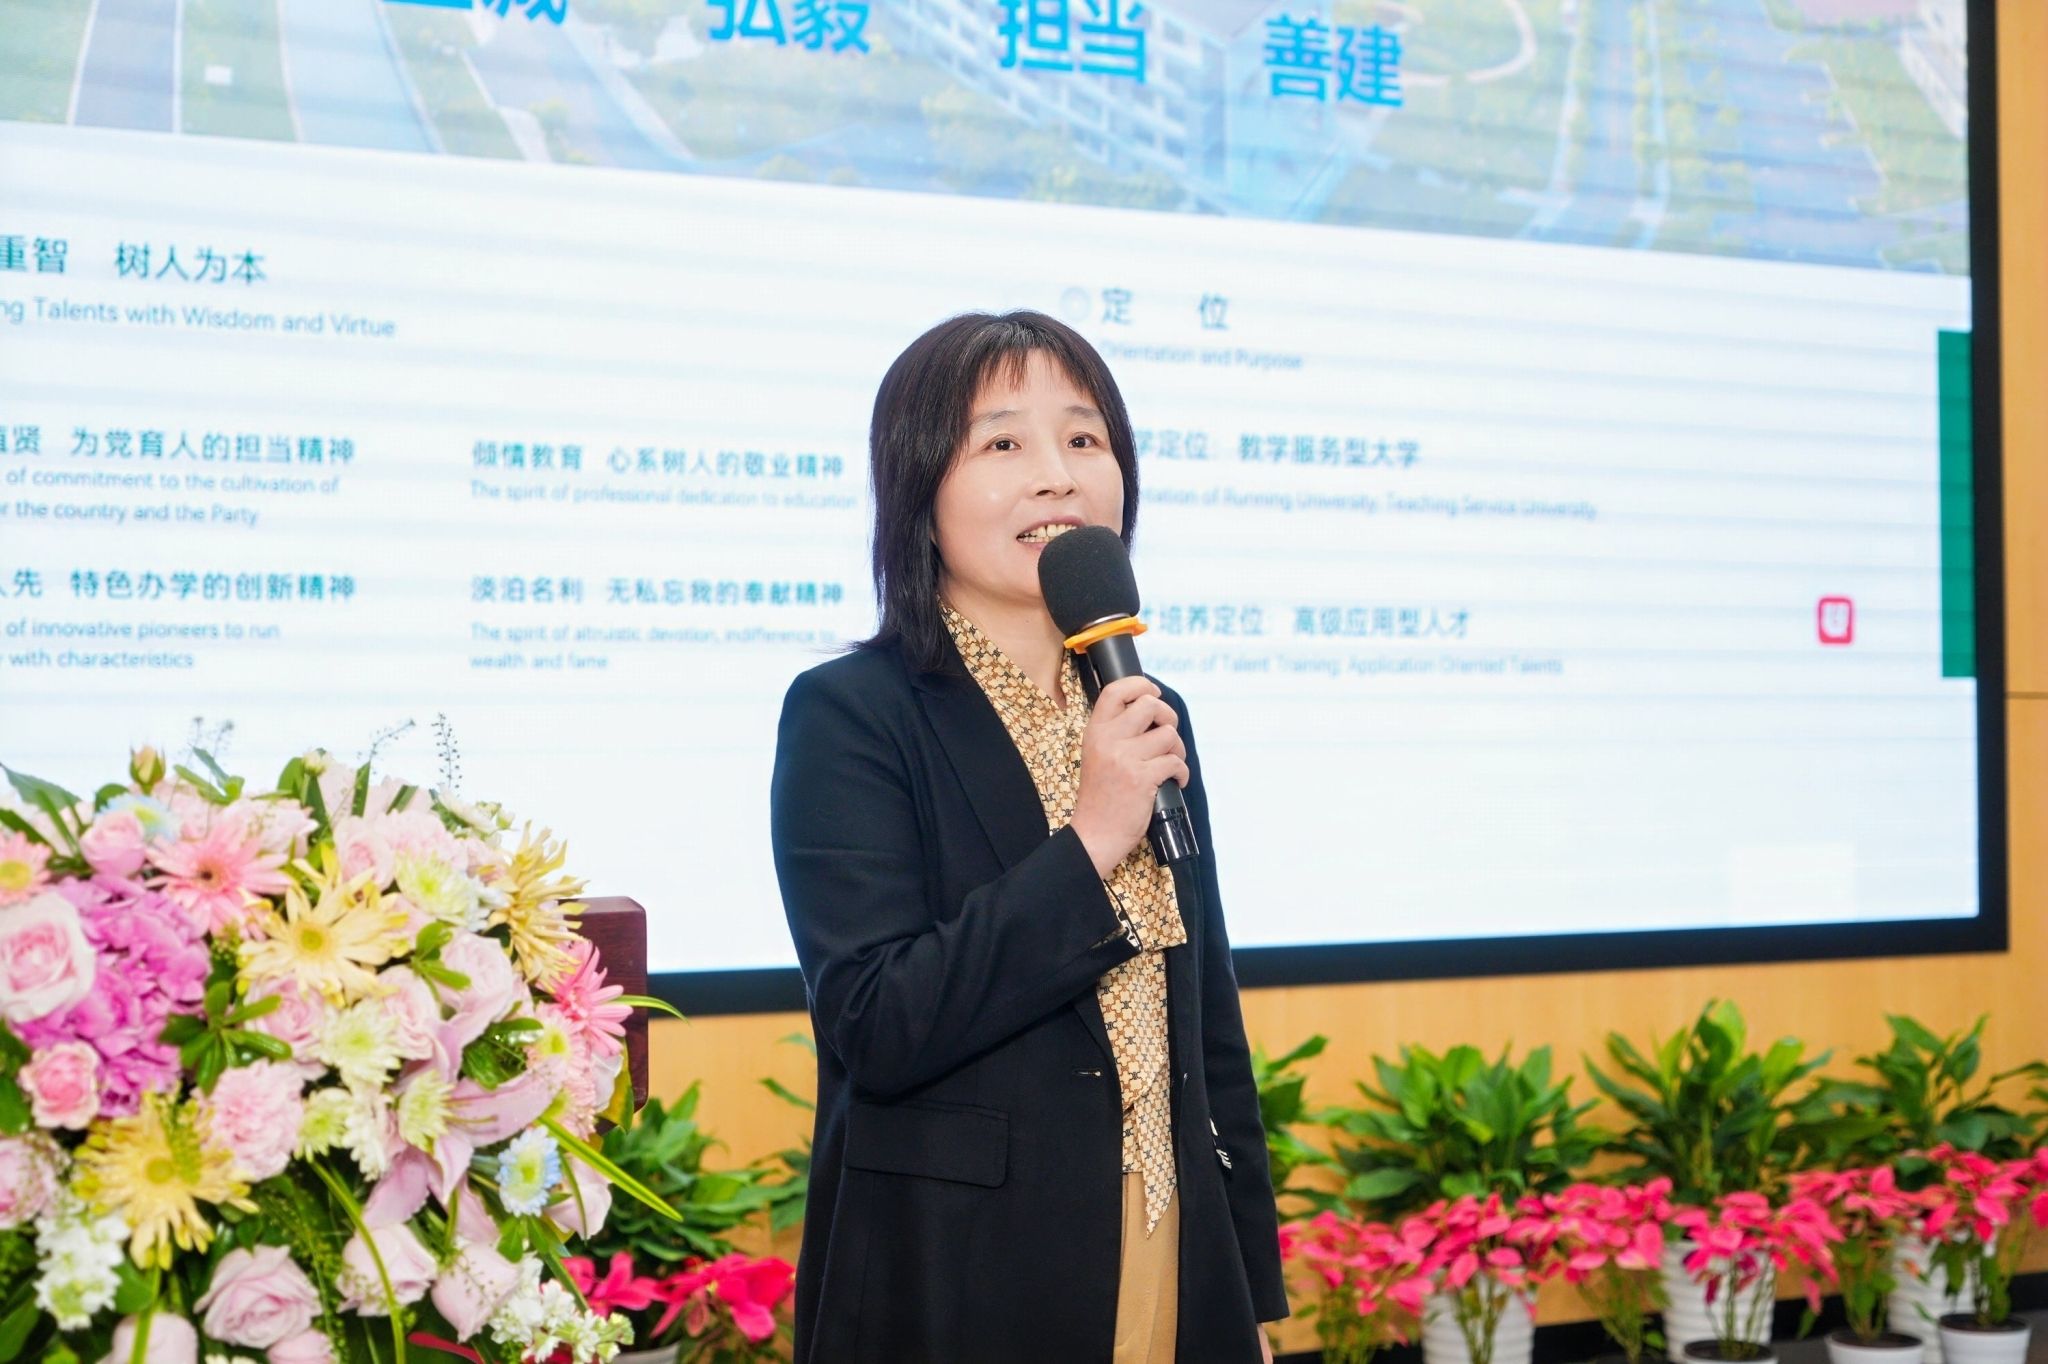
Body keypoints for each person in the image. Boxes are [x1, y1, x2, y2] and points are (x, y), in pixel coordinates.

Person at [769, 310, 1286, 1363]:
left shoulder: (1144, 706)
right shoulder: (852, 712)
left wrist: (1249, 1297)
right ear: (918, 489)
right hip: (963, 1275)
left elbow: (1207, 1020)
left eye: (1084, 438)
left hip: (1175, 1250)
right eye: (1003, 442)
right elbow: (878, 1020)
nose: (1057, 475)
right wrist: (1090, 839)